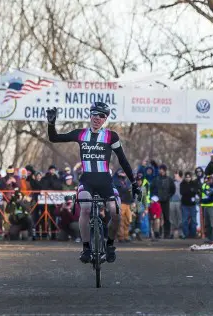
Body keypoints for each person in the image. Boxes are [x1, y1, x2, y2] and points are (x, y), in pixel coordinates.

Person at [46, 102, 140, 263]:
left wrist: (134, 184)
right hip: (87, 181)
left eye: (102, 115)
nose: (97, 118)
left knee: (115, 212)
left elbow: (123, 161)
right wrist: (51, 123)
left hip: (106, 182)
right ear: (90, 115)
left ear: (105, 119)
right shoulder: (80, 133)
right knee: (86, 208)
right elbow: (54, 138)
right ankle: (86, 248)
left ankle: (110, 245)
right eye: (95, 114)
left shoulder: (112, 136)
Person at [152, 164, 175, 238]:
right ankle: (158, 233)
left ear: (164, 170)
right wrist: (154, 197)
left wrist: (169, 196)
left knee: (166, 217)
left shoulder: (169, 179)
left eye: (161, 169)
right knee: (157, 217)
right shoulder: (156, 179)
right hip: (157, 201)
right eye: (159, 169)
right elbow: (152, 188)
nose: (160, 170)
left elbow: (173, 189)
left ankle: (167, 233)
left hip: (166, 200)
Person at [114, 169, 133, 242]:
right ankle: (121, 236)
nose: (123, 175)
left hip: (128, 203)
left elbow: (130, 192)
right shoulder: (115, 182)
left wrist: (132, 202)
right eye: (121, 173)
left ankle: (126, 235)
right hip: (121, 202)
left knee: (127, 220)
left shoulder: (127, 182)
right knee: (121, 220)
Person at [179, 171, 199, 239]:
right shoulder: (182, 184)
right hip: (184, 204)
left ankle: (193, 234)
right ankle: (186, 234)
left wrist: (190, 191)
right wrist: (190, 190)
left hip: (192, 205)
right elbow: (182, 192)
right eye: (186, 177)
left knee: (194, 220)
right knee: (184, 220)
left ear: (191, 177)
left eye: (189, 177)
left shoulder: (194, 183)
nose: (188, 178)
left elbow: (195, 191)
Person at [200, 174, 213, 244]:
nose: (209, 180)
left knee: (212, 222)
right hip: (205, 206)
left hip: (211, 206)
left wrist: (208, 190)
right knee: (207, 223)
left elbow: (209, 193)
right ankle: (209, 238)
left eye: (210, 179)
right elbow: (205, 192)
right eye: (208, 179)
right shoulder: (204, 185)